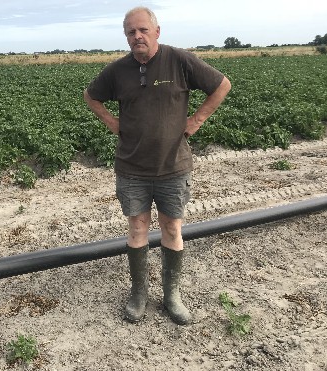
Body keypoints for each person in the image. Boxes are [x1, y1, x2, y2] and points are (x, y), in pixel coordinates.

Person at [83, 6, 231, 325]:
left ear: (157, 32)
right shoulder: (117, 71)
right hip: (132, 167)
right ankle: (138, 294)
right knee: (137, 228)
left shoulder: (179, 60)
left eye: (142, 30)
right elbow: (91, 96)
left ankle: (171, 295)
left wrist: (197, 120)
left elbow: (221, 85)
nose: (137, 36)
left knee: (172, 228)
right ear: (126, 37)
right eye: (130, 32)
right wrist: (112, 122)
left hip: (173, 166)